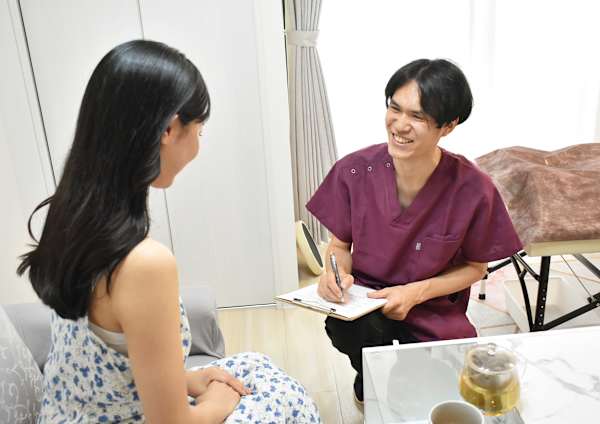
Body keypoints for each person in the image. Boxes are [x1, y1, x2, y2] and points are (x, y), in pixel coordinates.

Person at [18, 40, 320, 423]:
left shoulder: (70, 215)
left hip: (72, 411)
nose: (198, 143)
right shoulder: (144, 264)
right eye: (199, 130)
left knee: (254, 366)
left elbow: (109, 358)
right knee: (288, 401)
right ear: (169, 128)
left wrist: (187, 381)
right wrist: (217, 404)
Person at [306, 58, 522, 404]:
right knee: (349, 328)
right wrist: (333, 274)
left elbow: (475, 268)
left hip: (433, 304)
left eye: (417, 116)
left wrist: (415, 293)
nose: (400, 125)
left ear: (448, 126)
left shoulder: (473, 189)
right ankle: (366, 369)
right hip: (367, 298)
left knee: (431, 391)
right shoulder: (355, 171)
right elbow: (340, 246)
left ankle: (410, 374)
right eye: (395, 108)